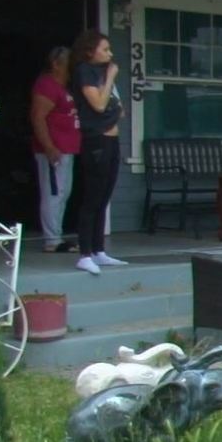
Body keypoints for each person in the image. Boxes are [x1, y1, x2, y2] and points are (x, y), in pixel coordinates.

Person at [70, 30, 126, 275]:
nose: (110, 54)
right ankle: (84, 253)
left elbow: (119, 110)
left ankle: (99, 250)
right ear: (90, 51)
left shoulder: (102, 75)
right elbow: (100, 104)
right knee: (92, 196)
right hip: (96, 140)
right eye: (105, 49)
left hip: (112, 140)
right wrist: (111, 77)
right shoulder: (85, 71)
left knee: (104, 196)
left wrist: (111, 108)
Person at [29, 46, 80, 252]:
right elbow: (37, 117)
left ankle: (56, 236)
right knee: (53, 193)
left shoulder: (65, 86)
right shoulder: (47, 85)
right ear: (56, 64)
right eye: (68, 62)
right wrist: (49, 146)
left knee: (62, 192)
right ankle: (52, 240)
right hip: (53, 150)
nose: (71, 67)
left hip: (67, 148)